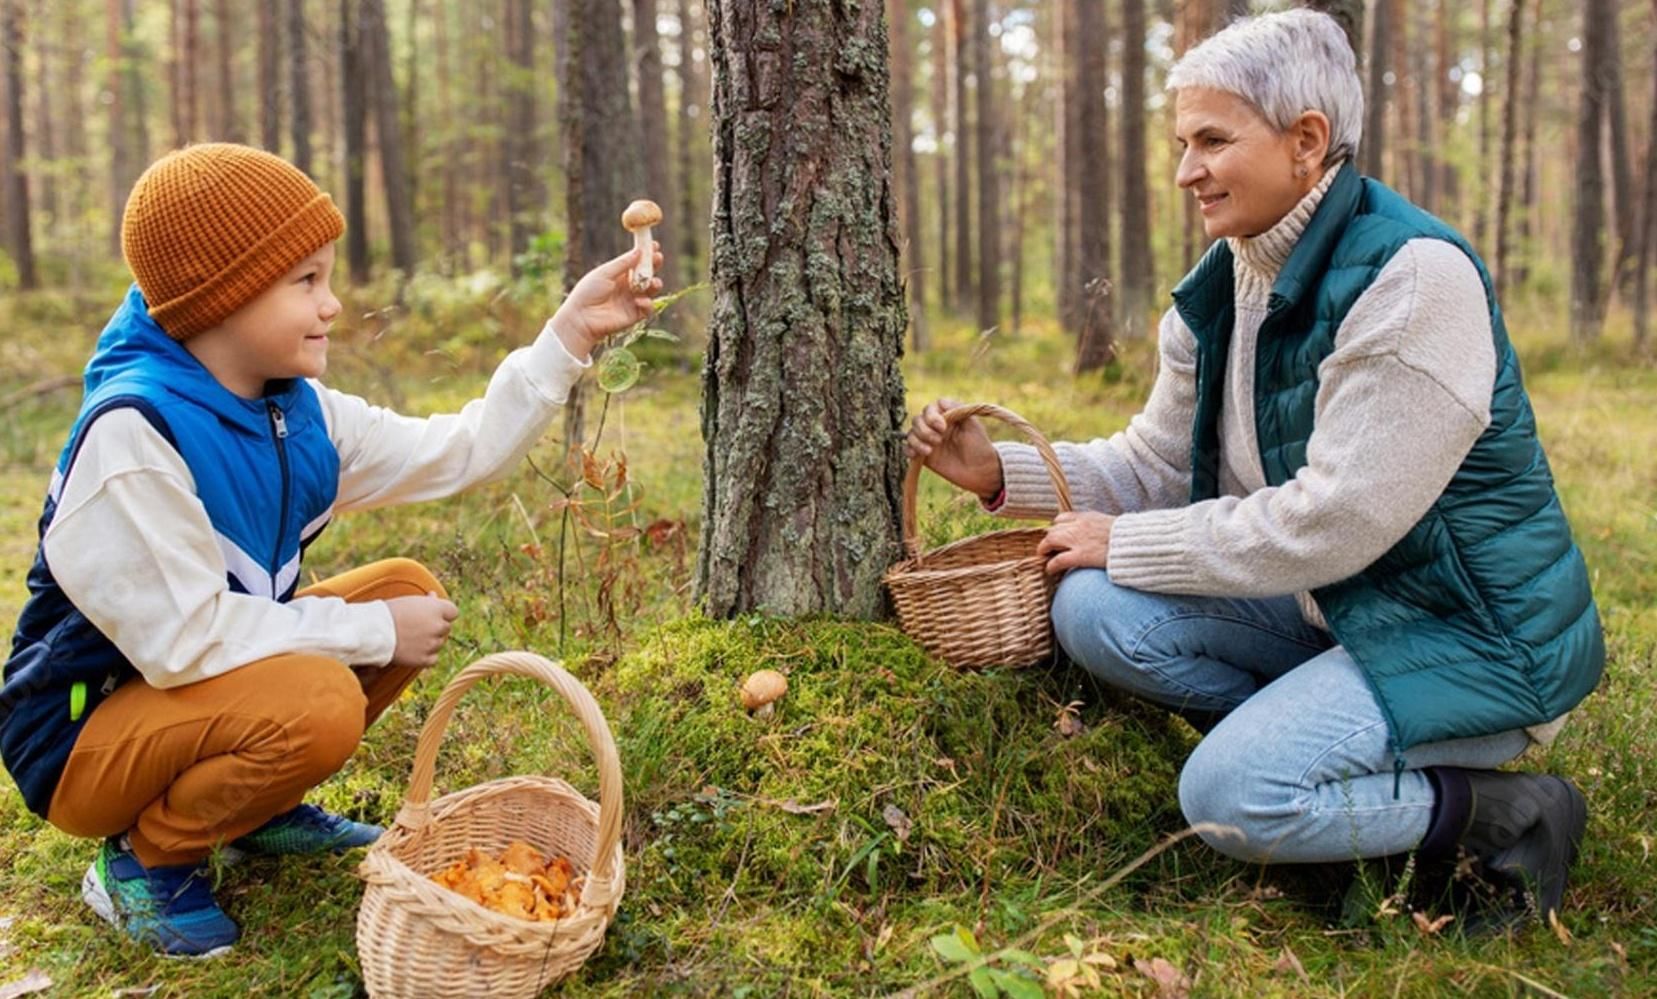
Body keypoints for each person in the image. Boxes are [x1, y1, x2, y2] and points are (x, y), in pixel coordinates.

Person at [907, 10, 1600, 929]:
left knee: (1230, 798)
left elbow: (1336, 518)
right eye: (1180, 141)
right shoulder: (1223, 282)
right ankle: (1327, 764)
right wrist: (999, 472)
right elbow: (1153, 462)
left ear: (1306, 141)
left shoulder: (1411, 280)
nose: (1185, 169)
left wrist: (1129, 539)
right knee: (1090, 605)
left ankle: (1501, 809)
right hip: (1333, 609)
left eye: (1210, 141)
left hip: (1461, 636)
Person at [0, 143, 661, 956]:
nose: (334, 305)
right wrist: (374, 633)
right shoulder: (134, 434)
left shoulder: (292, 408)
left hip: (188, 694)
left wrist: (569, 332)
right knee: (320, 697)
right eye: (305, 282)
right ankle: (144, 861)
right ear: (223, 297)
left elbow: (455, 449)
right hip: (81, 734)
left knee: (401, 584)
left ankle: (251, 811)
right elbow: (185, 641)